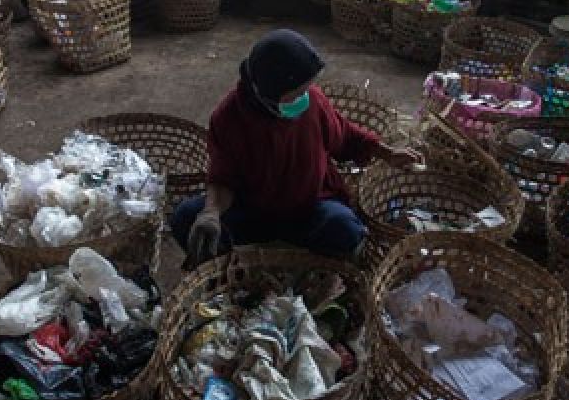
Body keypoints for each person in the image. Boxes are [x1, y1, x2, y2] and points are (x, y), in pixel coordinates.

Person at [171, 29, 423, 269]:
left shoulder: (313, 101)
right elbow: (222, 177)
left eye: (306, 90)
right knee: (186, 218)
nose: (305, 97)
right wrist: (211, 212)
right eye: (295, 94)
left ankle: (329, 276)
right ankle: (224, 275)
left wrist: (386, 152)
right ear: (265, 94)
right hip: (252, 211)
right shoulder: (228, 119)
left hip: (311, 207)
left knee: (345, 229)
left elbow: (345, 135)